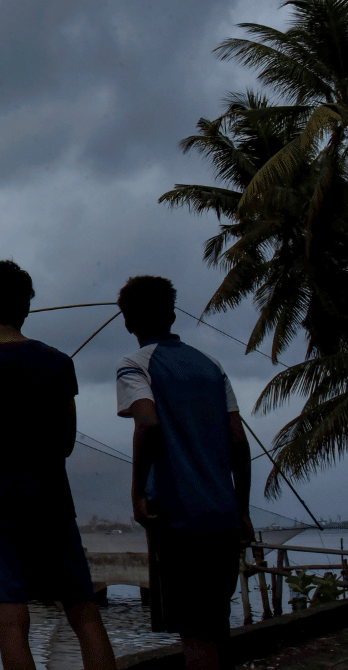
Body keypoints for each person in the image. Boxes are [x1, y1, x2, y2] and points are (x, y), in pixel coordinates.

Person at [0, 260, 116, 670]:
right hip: (51, 500)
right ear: (27, 308)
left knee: (11, 624)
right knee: (84, 613)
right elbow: (66, 443)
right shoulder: (57, 363)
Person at [115, 276, 253, 670]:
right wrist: (241, 509)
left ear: (127, 322)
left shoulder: (134, 366)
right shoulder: (212, 366)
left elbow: (149, 424)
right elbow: (238, 442)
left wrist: (137, 493)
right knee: (216, 624)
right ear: (173, 314)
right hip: (222, 515)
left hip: (177, 516)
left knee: (194, 635)